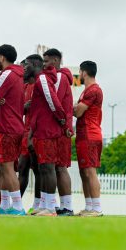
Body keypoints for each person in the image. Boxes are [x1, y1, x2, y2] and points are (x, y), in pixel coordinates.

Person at [0, 45, 25, 216]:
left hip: (9, 127)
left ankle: (17, 206)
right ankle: (4, 205)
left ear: (2, 57)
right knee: (3, 167)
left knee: (8, 167)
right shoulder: (17, 75)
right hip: (11, 126)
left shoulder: (8, 74)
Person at [28, 57, 69, 216]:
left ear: (34, 65)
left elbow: (52, 99)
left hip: (48, 130)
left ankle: (51, 207)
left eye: (26, 65)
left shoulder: (43, 78)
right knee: (43, 168)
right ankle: (45, 204)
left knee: (48, 167)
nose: (24, 67)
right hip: (42, 129)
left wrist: (61, 118)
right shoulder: (39, 79)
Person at [43, 48, 75, 216]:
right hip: (61, 127)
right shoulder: (60, 77)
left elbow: (52, 102)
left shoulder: (60, 77)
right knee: (56, 168)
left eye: (46, 61)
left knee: (60, 168)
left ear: (55, 61)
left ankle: (66, 206)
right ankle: (62, 206)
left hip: (60, 129)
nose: (44, 65)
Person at [74, 61, 104, 217]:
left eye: (79, 72)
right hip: (83, 135)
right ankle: (89, 206)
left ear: (84, 72)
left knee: (90, 172)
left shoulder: (93, 90)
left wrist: (72, 107)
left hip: (90, 135)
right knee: (83, 172)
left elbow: (78, 112)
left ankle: (97, 208)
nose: (79, 75)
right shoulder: (85, 91)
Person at [20, 56, 41, 212]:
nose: (23, 69)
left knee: (39, 169)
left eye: (25, 66)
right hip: (25, 132)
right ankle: (16, 205)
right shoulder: (25, 86)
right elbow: (20, 108)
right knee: (22, 167)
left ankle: (39, 204)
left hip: (38, 132)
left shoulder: (41, 84)